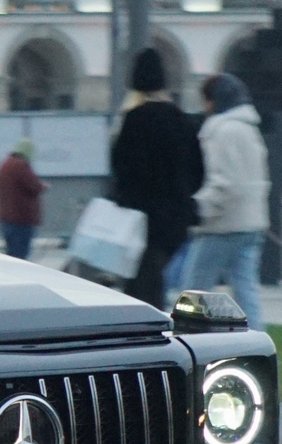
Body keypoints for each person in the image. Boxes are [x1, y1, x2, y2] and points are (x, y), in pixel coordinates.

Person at [107, 46, 202, 307]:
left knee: (140, 285)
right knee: (153, 279)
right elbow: (198, 172)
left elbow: (120, 170)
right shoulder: (182, 121)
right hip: (174, 218)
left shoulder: (132, 121)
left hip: (140, 219)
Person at [180, 72, 270, 324]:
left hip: (222, 225)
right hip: (251, 222)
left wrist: (198, 209)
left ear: (213, 100)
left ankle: (189, 341)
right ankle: (257, 348)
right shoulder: (248, 129)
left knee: (193, 293)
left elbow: (224, 184)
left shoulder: (221, 132)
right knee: (247, 294)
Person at [0, 135, 45, 259]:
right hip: (21, 219)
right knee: (21, 256)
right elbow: (34, 186)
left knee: (12, 255)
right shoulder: (21, 165)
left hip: (6, 218)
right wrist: (43, 186)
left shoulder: (4, 164)